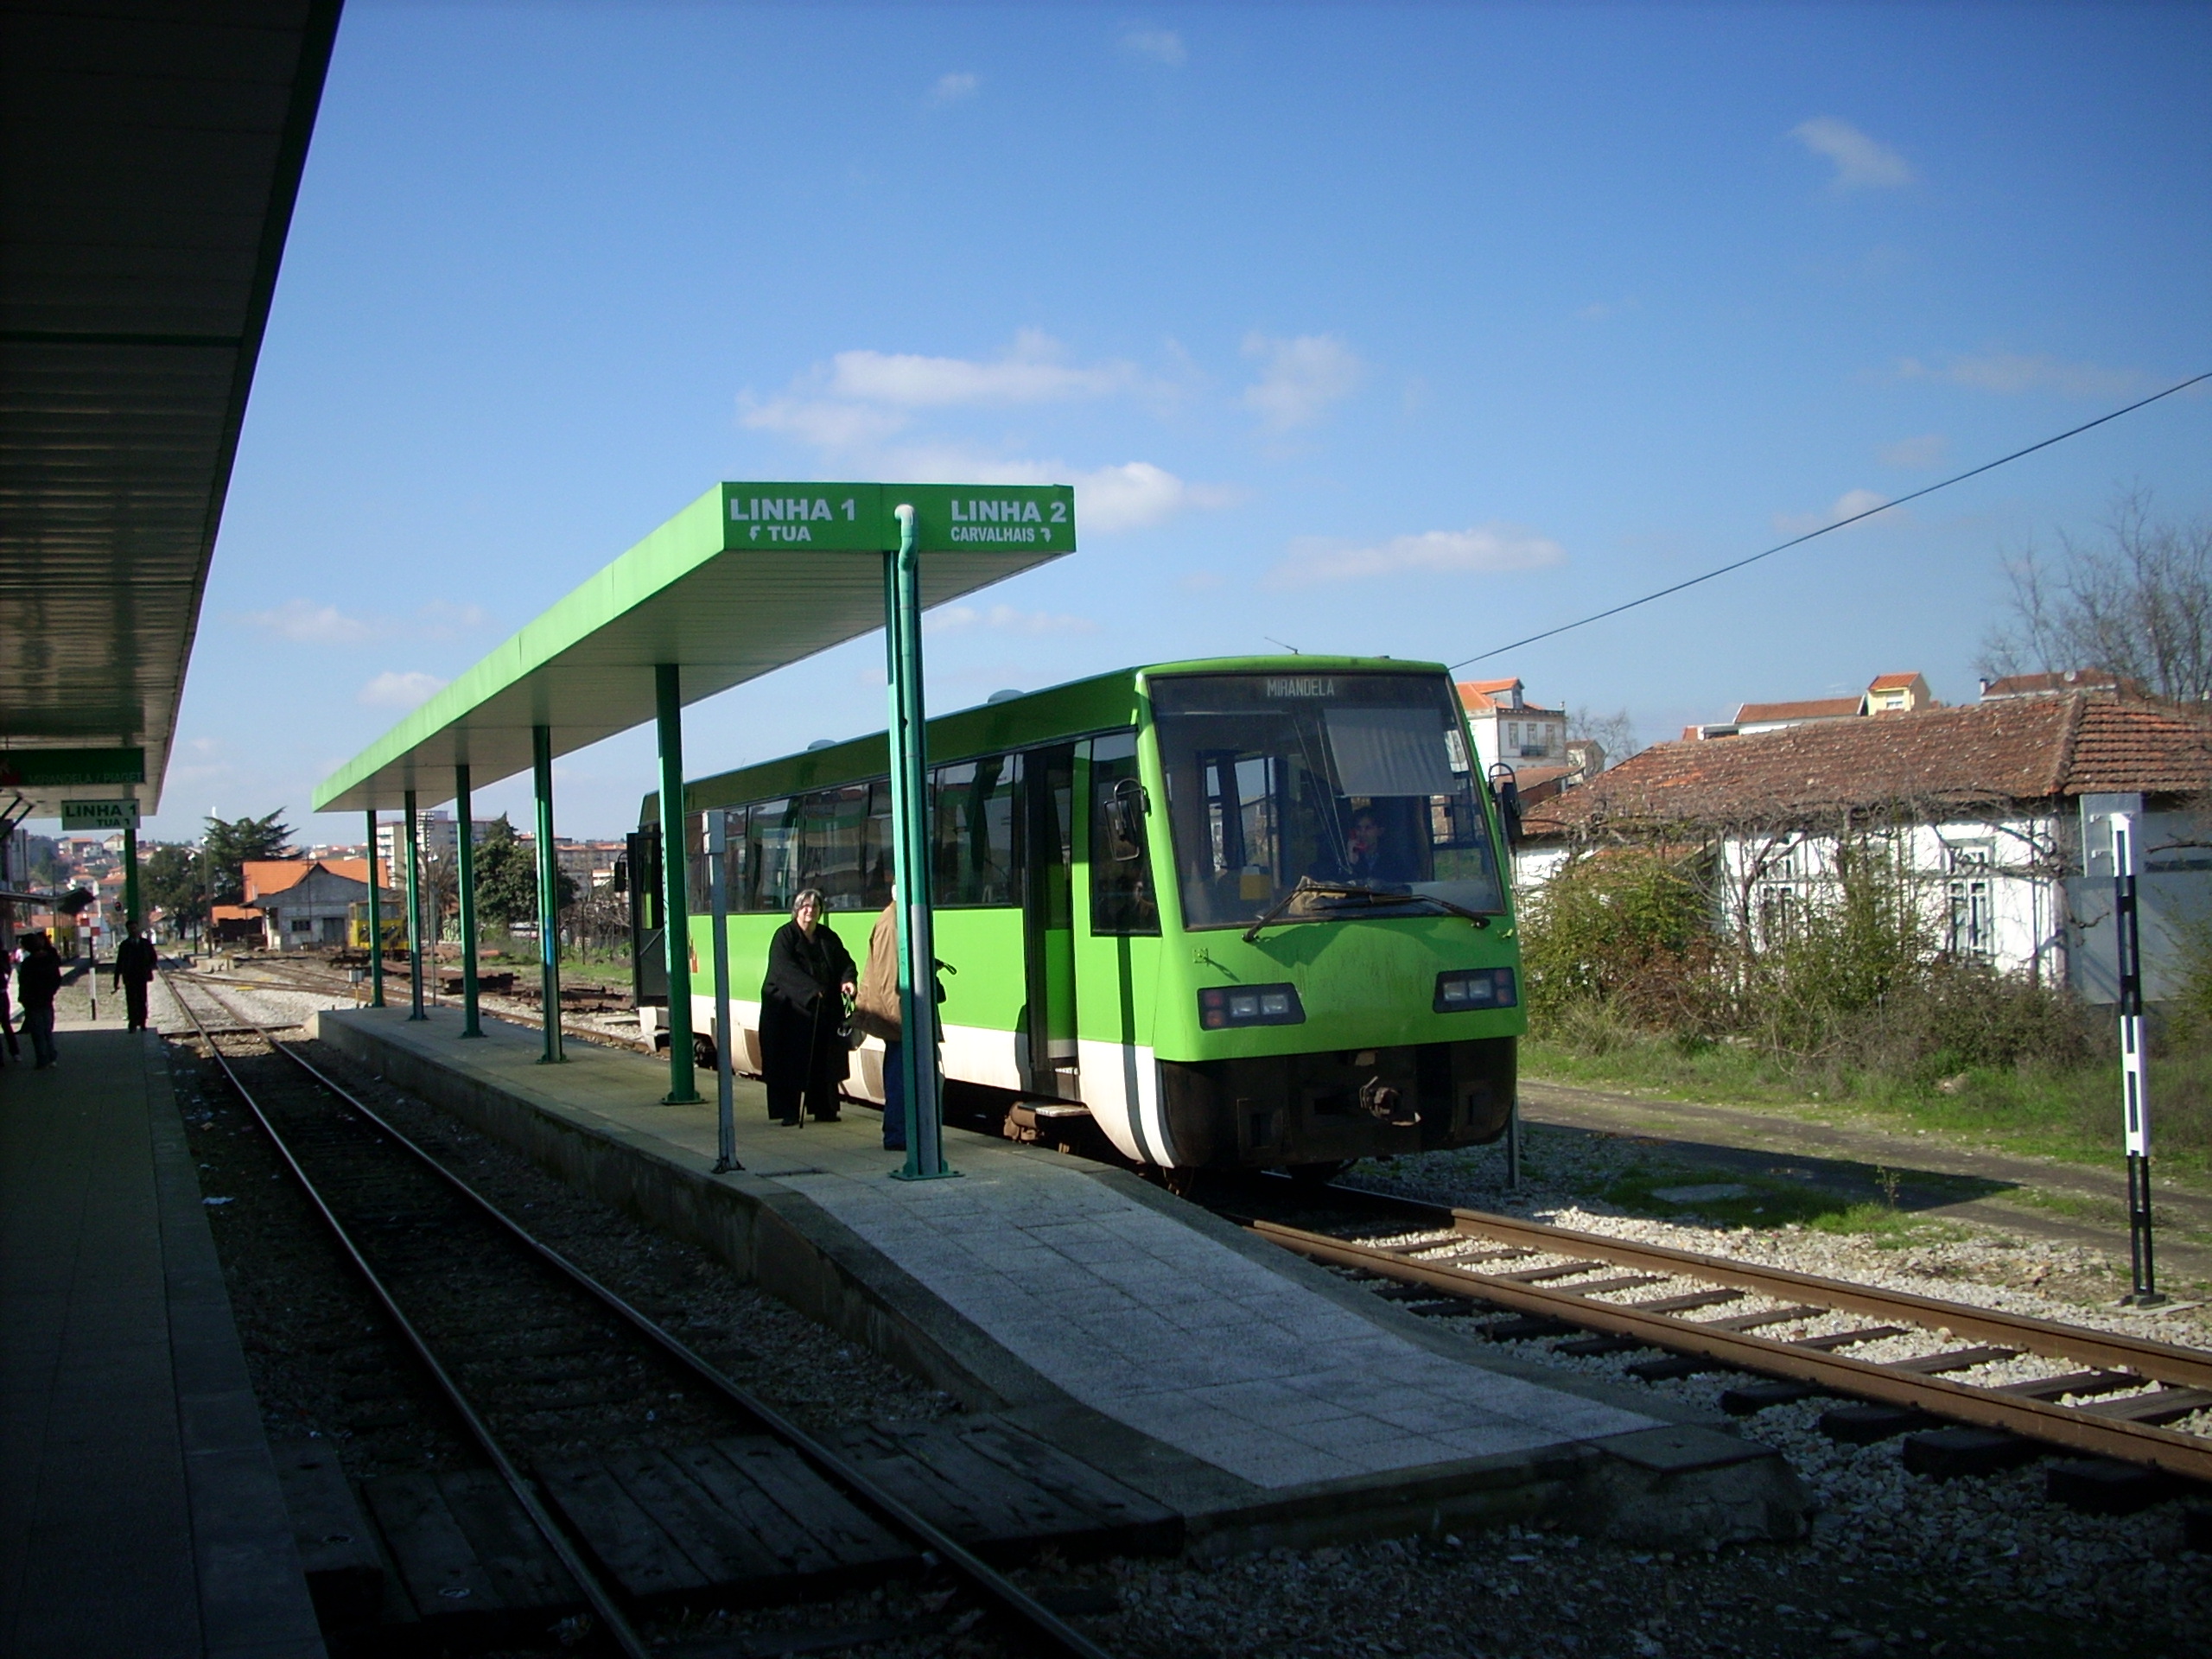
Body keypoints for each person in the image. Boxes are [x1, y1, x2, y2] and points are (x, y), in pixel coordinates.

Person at [758, 889, 855, 1126]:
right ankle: (789, 1111)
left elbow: (845, 962)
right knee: (789, 1062)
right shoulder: (784, 936)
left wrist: (847, 980)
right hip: (790, 1011)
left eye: (815, 907)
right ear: (797, 910)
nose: (810, 911)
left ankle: (825, 1109)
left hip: (823, 1010)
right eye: (805, 907)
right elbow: (783, 970)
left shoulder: (827, 937)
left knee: (825, 1061)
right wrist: (812, 991)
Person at [853, 902, 905, 1149]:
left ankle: (901, 1133)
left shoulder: (897, 918)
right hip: (900, 1021)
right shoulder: (891, 923)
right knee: (900, 1077)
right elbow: (889, 981)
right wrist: (903, 1024)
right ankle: (897, 1135)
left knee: (900, 1075)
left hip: (901, 1019)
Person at [16, 931, 62, 1069]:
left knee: (37, 1032)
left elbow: (24, 983)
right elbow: (57, 979)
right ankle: (52, 1056)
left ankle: (42, 1059)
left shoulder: (28, 963)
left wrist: (23, 998)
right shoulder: (50, 959)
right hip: (46, 999)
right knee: (47, 1029)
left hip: (32, 1001)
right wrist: (51, 992)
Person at [113, 927, 159, 1033]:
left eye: (135, 928)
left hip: (142, 976)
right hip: (129, 976)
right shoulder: (124, 945)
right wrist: (116, 980)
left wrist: (148, 967)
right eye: (132, 929)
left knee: (142, 999)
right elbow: (119, 963)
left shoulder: (145, 943)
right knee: (131, 1000)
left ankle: (142, 1022)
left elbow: (153, 957)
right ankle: (133, 1023)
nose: (134, 931)